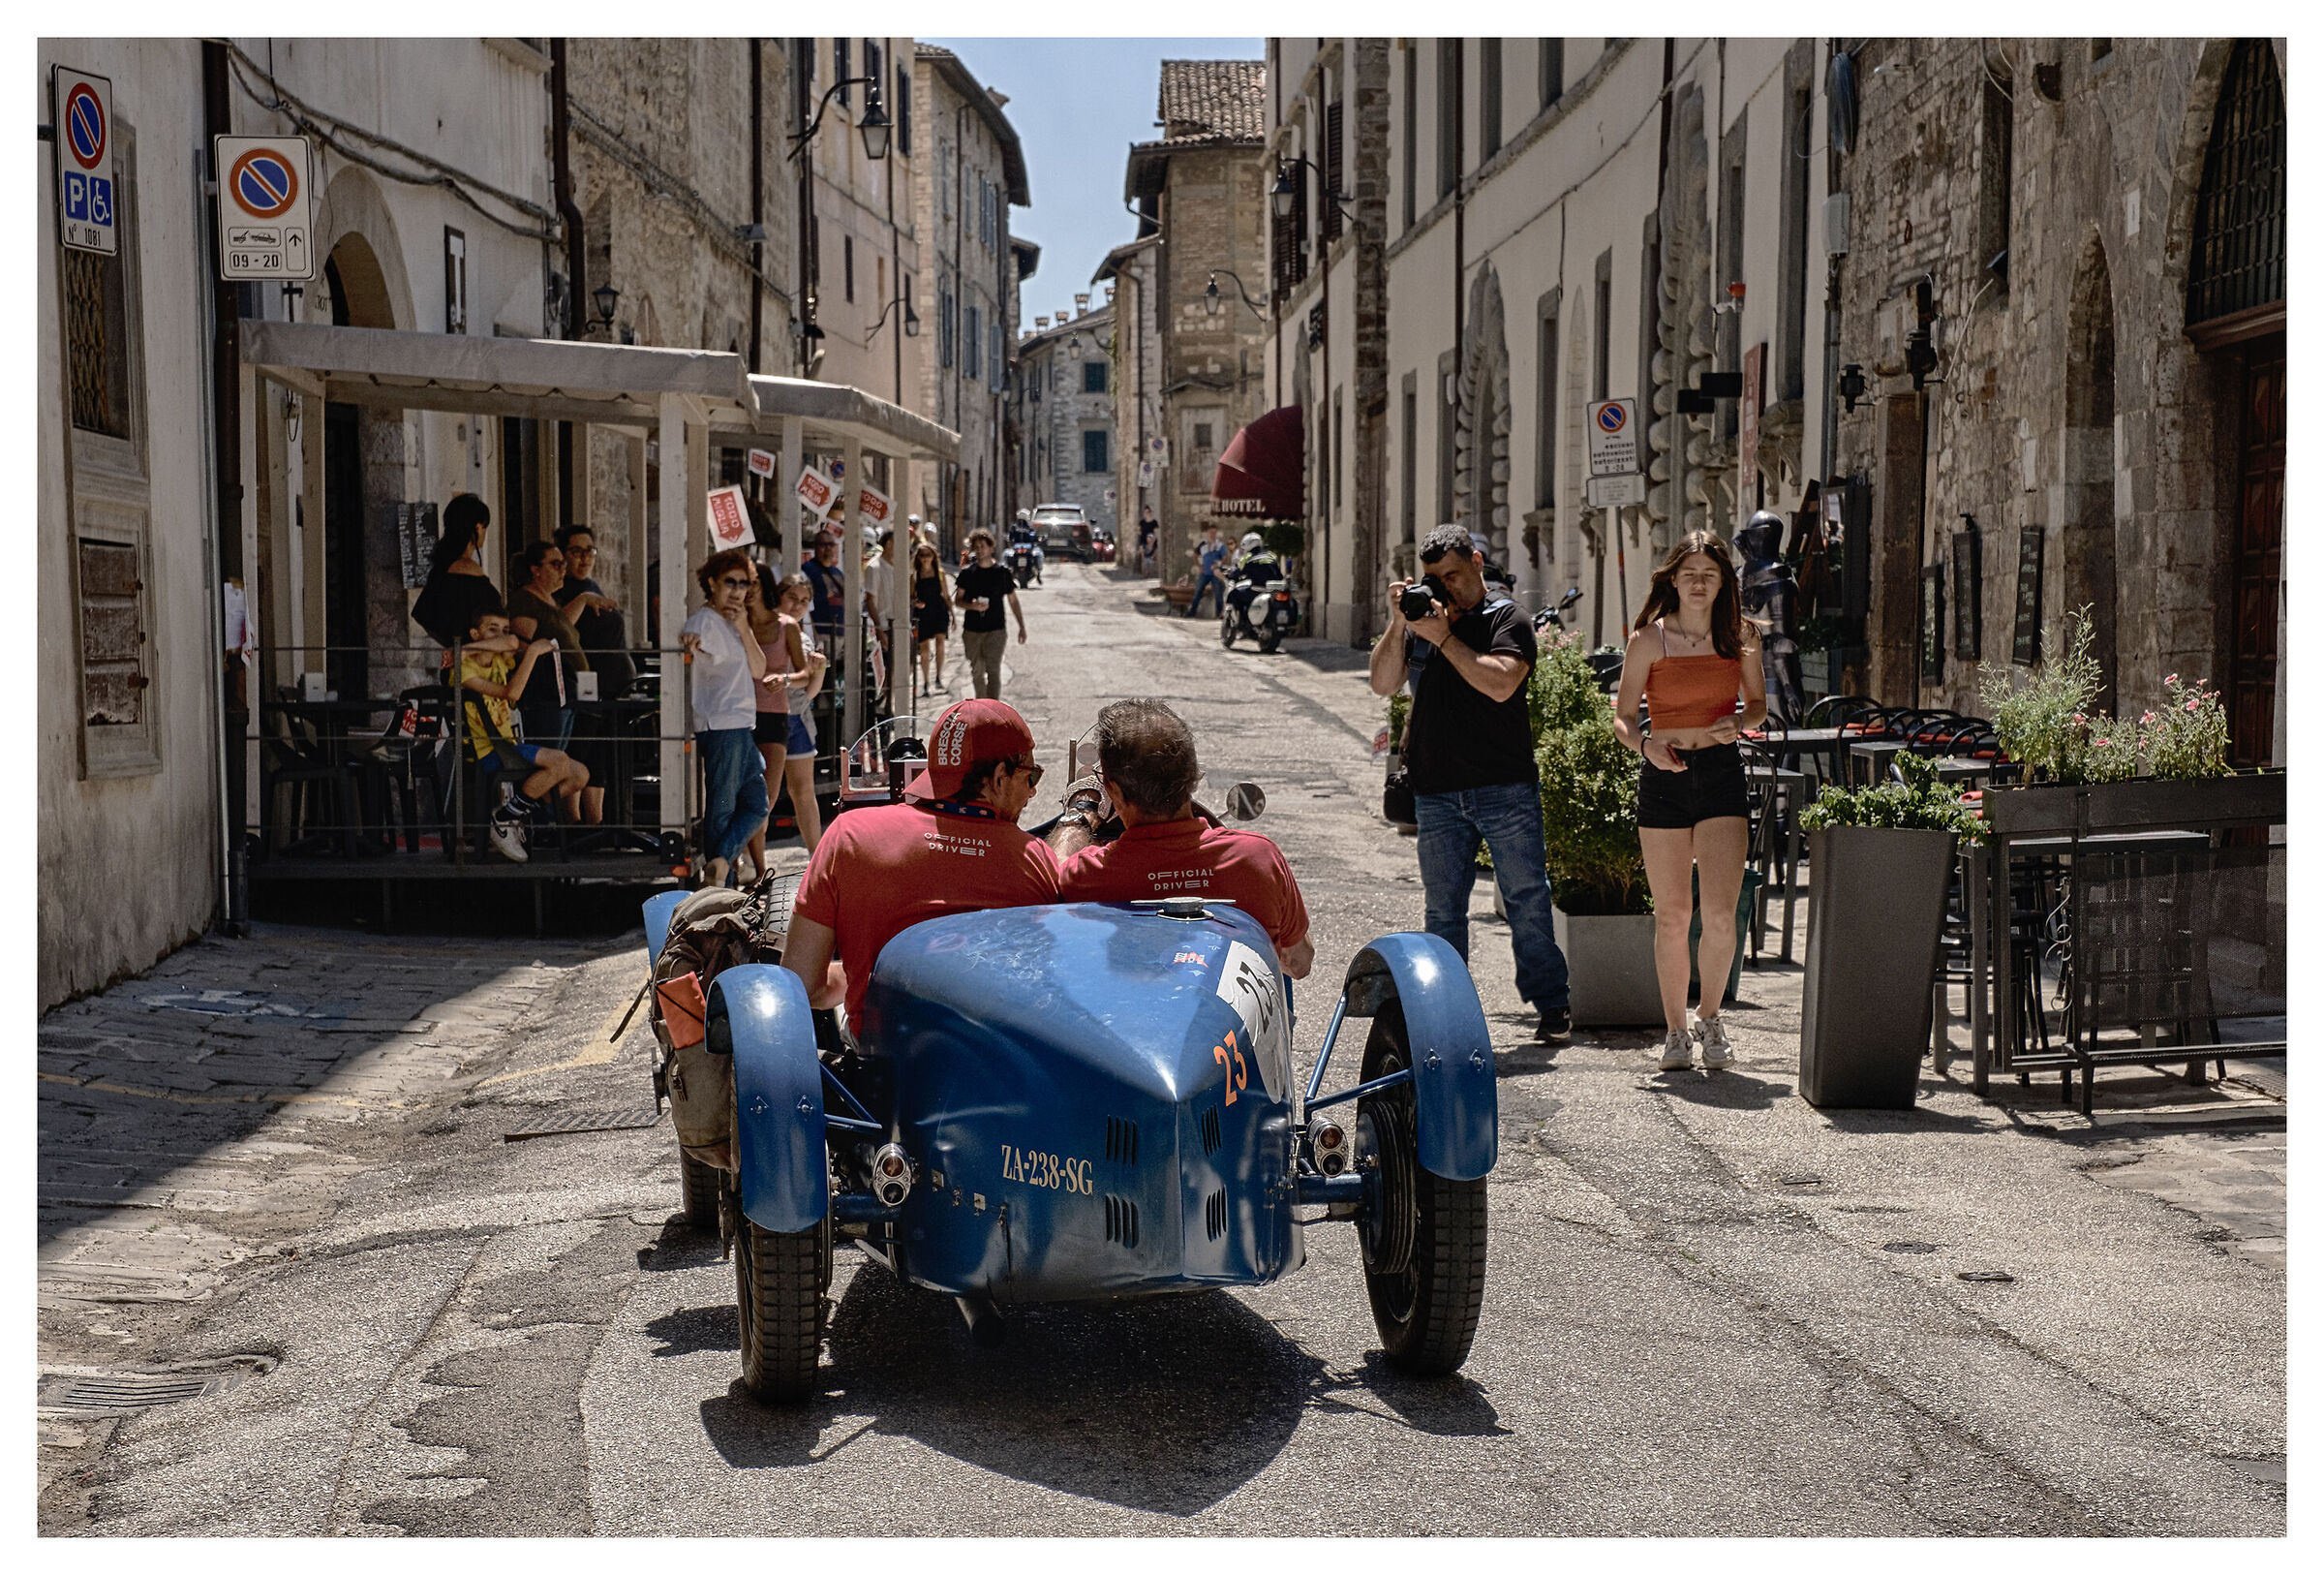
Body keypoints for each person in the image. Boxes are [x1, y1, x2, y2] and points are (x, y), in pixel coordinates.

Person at [1367, 523, 1572, 1043]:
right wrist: (1400, 623)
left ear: (1477, 563)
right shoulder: (1423, 624)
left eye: (1453, 576)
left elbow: (1501, 683)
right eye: (1434, 578)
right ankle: (1445, 1014)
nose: (1444, 588)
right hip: (1437, 791)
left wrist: (1446, 639)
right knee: (1443, 910)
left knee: (1526, 899)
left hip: (1504, 788)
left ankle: (1552, 1005)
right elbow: (1382, 683)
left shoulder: (1506, 618)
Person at [781, 697, 1063, 1035]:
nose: (1032, 793)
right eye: (1031, 776)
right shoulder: (1037, 860)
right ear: (1000, 777)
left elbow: (800, 984)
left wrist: (859, 975)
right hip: (995, 1065)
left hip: (884, 1069)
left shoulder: (849, 835)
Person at [1610, 532, 1766, 1071]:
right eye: (1690, 573)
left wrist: (1738, 722)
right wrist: (1645, 745)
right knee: (1674, 915)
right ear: (1673, 579)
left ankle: (1710, 1016)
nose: (1699, 583)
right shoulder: (1648, 641)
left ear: (1723, 582)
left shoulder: (1741, 637)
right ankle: (1675, 1032)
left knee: (1721, 914)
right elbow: (1624, 716)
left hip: (1721, 774)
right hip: (1664, 774)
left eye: (1710, 574)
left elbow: (1759, 706)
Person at [1049, 699, 1313, 979]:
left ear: (1113, 789)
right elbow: (1300, 963)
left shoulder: (1087, 876)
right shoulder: (1258, 858)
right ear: (1192, 777)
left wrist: (1082, 808)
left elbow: (1050, 874)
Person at [457, 609, 590, 863]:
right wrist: (531, 654)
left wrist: (472, 646)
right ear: (476, 634)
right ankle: (505, 819)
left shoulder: (499, 659)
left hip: (510, 745)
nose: (501, 635)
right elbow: (512, 693)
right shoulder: (464, 669)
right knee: (559, 761)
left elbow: (511, 642)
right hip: (490, 750)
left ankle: (513, 811)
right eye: (492, 628)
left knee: (579, 774)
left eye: (504, 628)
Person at [681, 547, 772, 888]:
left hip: (741, 724)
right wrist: (691, 641)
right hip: (720, 724)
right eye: (729, 583)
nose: (737, 591)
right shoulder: (703, 622)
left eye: (744, 584)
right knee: (721, 806)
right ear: (712, 583)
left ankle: (719, 864)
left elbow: (760, 669)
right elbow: (692, 640)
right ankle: (722, 886)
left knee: (756, 804)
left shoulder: (733, 623)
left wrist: (745, 626)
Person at [742, 565, 827, 872]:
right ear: (778, 596)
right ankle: (752, 860)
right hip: (762, 714)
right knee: (760, 793)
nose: (798, 605)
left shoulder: (800, 634)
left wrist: (817, 670)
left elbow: (811, 690)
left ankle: (816, 856)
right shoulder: (766, 626)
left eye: (805, 601)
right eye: (792, 597)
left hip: (794, 718)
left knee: (801, 790)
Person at [551, 523, 633, 828]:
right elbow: (560, 630)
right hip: (583, 683)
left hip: (611, 685)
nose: (585, 558)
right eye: (576, 551)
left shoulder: (592, 586)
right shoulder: (563, 591)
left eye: (590, 550)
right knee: (580, 748)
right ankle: (571, 821)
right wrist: (583, 599)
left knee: (600, 753)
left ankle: (595, 821)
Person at [506, 541, 589, 802]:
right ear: (535, 569)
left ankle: (541, 820)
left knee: (561, 761)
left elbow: (562, 628)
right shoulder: (525, 599)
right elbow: (521, 644)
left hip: (564, 691)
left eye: (563, 563)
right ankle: (529, 819)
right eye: (555, 564)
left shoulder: (551, 601)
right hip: (544, 692)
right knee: (550, 760)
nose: (562, 569)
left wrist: (586, 598)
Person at [412, 493, 505, 658]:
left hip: (458, 658)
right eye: (485, 527)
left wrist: (451, 644)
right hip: (478, 662)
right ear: (477, 527)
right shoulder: (470, 573)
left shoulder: (441, 569)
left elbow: (422, 614)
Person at [953, 527, 1026, 700]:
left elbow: (1013, 601)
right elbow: (958, 600)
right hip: (972, 631)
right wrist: (972, 607)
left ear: (991, 548)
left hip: (996, 630)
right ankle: (981, 706)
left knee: (993, 670)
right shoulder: (967, 574)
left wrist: (1021, 627)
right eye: (976, 547)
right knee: (977, 670)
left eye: (983, 546)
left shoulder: (1002, 573)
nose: (979, 550)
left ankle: (993, 709)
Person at [910, 540, 953, 696]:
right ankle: (926, 682)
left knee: (940, 643)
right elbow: (911, 597)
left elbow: (947, 595)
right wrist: (916, 603)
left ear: (933, 556)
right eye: (922, 555)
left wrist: (953, 616)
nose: (925, 558)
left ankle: (938, 677)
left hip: (939, 610)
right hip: (923, 613)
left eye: (928, 555)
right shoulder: (915, 575)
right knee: (925, 650)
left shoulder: (940, 573)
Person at [864, 526, 900, 702]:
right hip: (884, 626)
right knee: (885, 670)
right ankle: (882, 708)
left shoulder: (897, 567)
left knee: (896, 670)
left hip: (898, 626)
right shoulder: (874, 567)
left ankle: (888, 704)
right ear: (889, 543)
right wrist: (879, 629)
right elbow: (870, 600)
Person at [802, 529, 847, 646]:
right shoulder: (807, 570)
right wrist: (813, 632)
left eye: (831, 545)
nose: (828, 548)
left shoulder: (838, 573)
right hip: (821, 632)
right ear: (815, 547)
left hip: (840, 632)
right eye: (823, 545)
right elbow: (806, 604)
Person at [1184, 522, 1228, 618]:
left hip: (1216, 573)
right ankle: (1192, 613)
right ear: (1208, 533)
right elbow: (1195, 555)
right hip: (1205, 572)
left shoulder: (1219, 545)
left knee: (1218, 594)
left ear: (1216, 533)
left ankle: (1219, 614)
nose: (1212, 534)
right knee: (1198, 592)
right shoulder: (1203, 544)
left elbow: (1224, 557)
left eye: (1214, 532)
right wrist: (1199, 566)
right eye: (1210, 532)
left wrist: (1218, 565)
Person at [1138, 505, 1159, 574]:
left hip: (1152, 542)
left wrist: (1152, 542)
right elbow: (1139, 532)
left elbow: (1156, 533)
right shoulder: (1142, 522)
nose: (1147, 513)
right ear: (1144, 513)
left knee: (1153, 557)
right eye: (1146, 512)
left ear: (1151, 512)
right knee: (1143, 558)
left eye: (1148, 512)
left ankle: (1153, 572)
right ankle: (1144, 573)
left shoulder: (1154, 522)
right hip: (1143, 542)